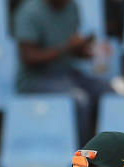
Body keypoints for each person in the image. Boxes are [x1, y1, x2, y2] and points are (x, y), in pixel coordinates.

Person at [13, 0, 114, 144]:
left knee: (108, 92)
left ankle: (109, 152)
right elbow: (28, 57)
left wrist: (91, 50)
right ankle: (83, 156)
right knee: (80, 99)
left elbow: (74, 51)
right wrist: (67, 48)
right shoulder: (29, 11)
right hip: (35, 79)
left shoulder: (72, 7)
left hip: (68, 73)